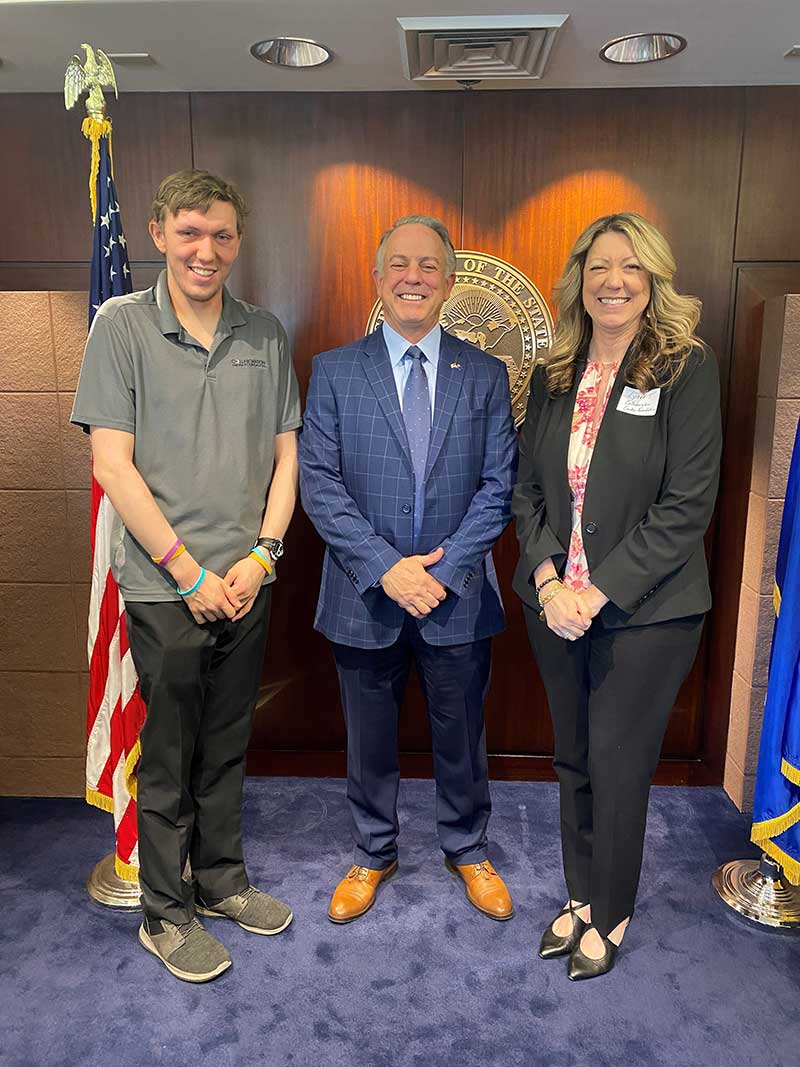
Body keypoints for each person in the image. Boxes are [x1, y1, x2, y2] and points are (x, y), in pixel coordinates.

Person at [71, 170, 301, 983]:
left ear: (238, 241)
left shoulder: (265, 333)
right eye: (192, 232)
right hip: (164, 587)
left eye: (223, 235)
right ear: (162, 231)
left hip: (246, 582)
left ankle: (222, 879)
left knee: (228, 741)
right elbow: (112, 462)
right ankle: (166, 912)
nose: (208, 250)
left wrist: (260, 557)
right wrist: (186, 570)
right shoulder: (121, 326)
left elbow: (285, 460)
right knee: (167, 750)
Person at [512, 212, 722, 980]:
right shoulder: (554, 372)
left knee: (620, 760)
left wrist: (593, 593)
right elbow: (526, 488)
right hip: (552, 606)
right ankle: (578, 891)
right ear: (580, 277)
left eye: (632, 267)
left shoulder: (685, 367)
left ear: (654, 278)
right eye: (600, 265)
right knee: (572, 757)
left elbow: (686, 505)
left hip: (646, 611)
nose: (614, 280)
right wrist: (545, 580)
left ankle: (611, 908)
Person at [299, 215, 518, 923]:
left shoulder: (484, 374)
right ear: (378, 277)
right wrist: (388, 568)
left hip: (456, 597)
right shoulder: (334, 370)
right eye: (399, 264)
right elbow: (319, 484)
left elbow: (499, 485)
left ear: (450, 282)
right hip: (365, 594)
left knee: (462, 732)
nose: (414, 276)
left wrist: (446, 568)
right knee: (368, 738)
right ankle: (373, 850)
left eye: (429, 265)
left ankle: (466, 846)